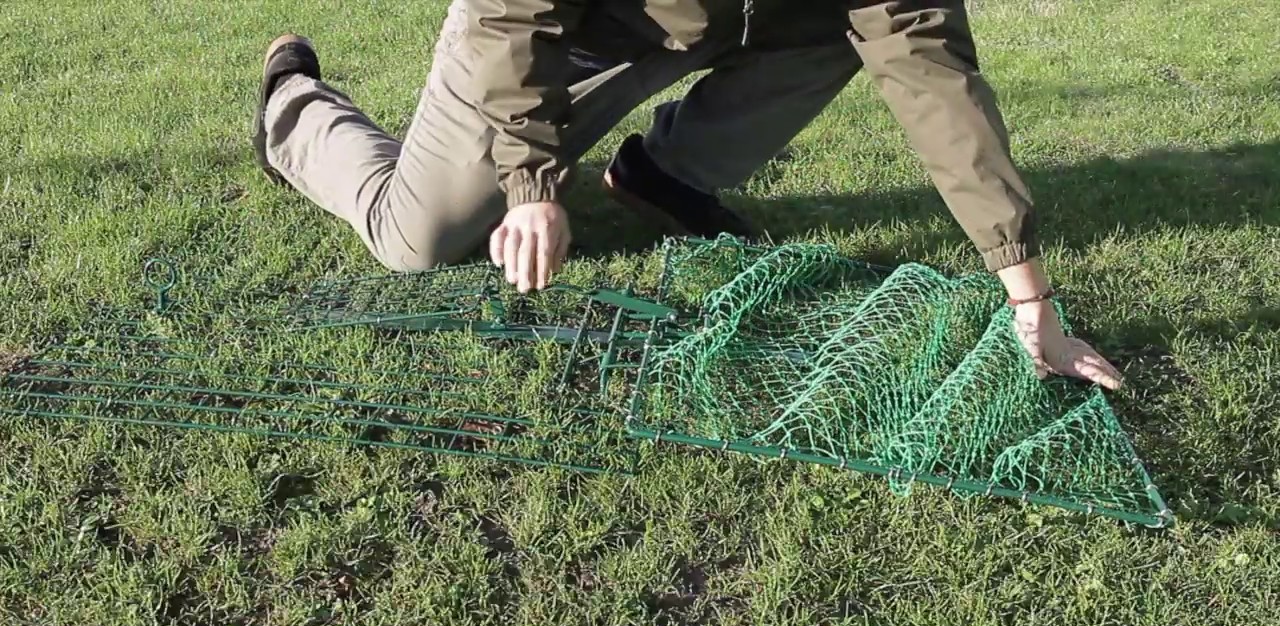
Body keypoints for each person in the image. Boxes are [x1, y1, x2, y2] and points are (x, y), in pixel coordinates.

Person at [250, 0, 1124, 390]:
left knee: (839, 26)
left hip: (708, 25)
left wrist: (1027, 290)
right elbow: (515, 23)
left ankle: (664, 175)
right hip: (556, 36)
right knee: (419, 238)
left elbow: (933, 75)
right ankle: (293, 111)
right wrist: (530, 180)